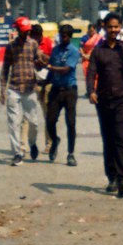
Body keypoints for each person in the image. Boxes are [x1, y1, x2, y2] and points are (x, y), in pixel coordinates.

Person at [86, 11, 123, 197]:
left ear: (120, 28)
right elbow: (91, 74)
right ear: (104, 27)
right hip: (103, 100)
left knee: (120, 138)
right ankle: (111, 177)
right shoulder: (98, 50)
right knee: (108, 139)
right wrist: (91, 91)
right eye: (110, 26)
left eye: (116, 27)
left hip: (121, 100)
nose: (113, 30)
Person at [0, 15, 45, 165]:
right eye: (23, 31)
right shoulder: (11, 47)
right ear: (18, 30)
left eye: (27, 31)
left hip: (30, 88)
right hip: (14, 87)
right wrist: (2, 90)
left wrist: (42, 61)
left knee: (34, 122)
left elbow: (40, 60)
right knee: (13, 122)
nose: (26, 33)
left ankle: (32, 143)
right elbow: (5, 69)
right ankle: (17, 153)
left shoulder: (33, 44)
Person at [45, 22, 80, 165]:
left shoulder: (74, 51)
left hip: (69, 90)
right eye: (61, 36)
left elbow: (66, 69)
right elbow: (51, 71)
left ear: (70, 37)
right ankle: (55, 140)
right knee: (50, 121)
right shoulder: (55, 50)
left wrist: (50, 67)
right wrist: (45, 81)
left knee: (70, 122)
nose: (63, 38)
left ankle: (71, 153)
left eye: (65, 36)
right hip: (56, 89)